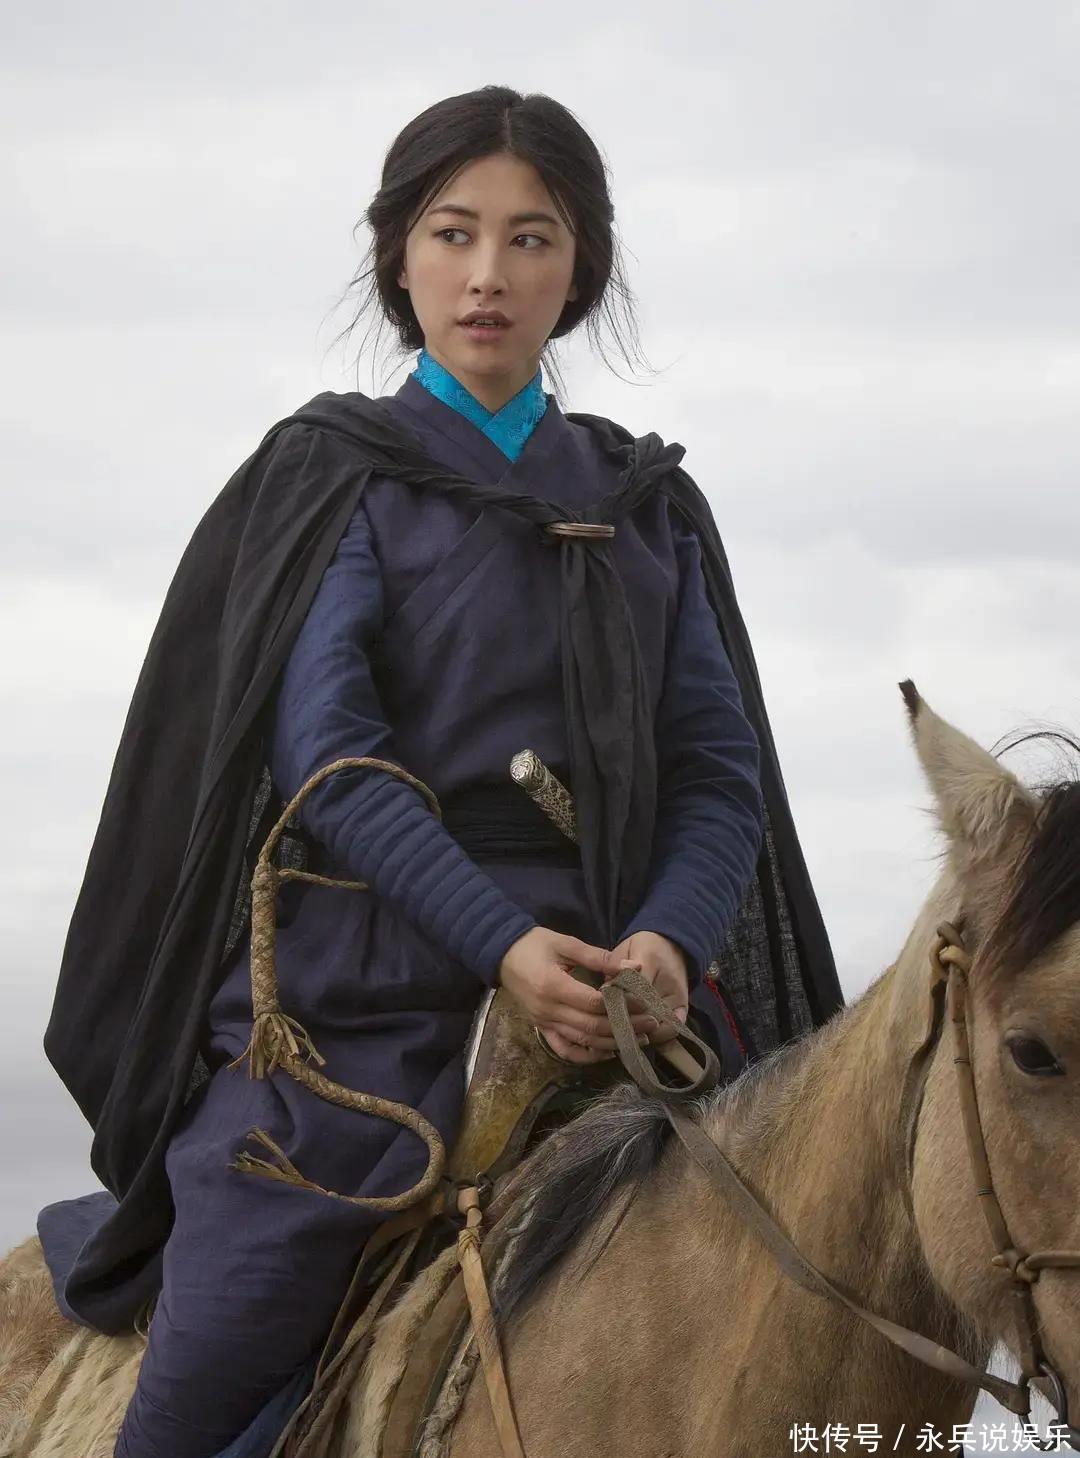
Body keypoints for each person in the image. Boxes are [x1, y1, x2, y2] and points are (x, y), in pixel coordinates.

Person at [37, 86, 843, 1457]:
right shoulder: (341, 475)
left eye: (532, 238)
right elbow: (331, 757)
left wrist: (667, 939)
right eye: (453, 233)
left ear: (580, 268)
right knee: (215, 1355)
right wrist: (502, 943)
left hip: (625, 995)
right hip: (366, 1004)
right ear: (398, 259)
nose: (489, 275)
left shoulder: (647, 506)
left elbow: (720, 773)